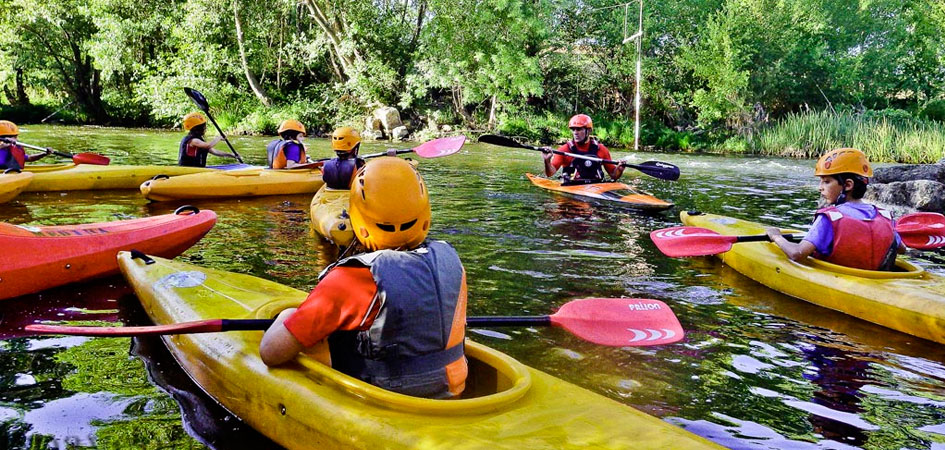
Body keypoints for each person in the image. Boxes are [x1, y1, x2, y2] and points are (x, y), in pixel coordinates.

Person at [260, 157, 468, 399]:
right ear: (425, 215)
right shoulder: (450, 260)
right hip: (452, 390)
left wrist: (287, 317)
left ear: (358, 220)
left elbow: (271, 353)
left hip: (381, 399)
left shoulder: (350, 279)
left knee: (311, 344)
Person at [765, 148, 905, 271]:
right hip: (876, 281)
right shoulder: (884, 217)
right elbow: (901, 249)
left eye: (826, 181)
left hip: (839, 281)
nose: (820, 187)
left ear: (848, 185)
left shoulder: (829, 219)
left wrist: (775, 236)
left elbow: (797, 254)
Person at [542, 114, 625, 184]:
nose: (575, 133)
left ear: (589, 131)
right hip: (571, 188)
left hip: (596, 187)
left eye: (579, 129)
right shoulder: (564, 150)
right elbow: (550, 173)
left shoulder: (601, 149)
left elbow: (614, 175)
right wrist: (547, 161)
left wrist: (619, 169)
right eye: (573, 129)